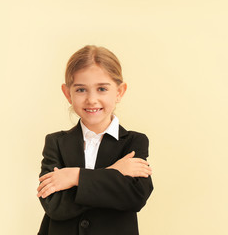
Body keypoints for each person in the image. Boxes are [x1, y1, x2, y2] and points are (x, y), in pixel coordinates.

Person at [36, 45, 153, 235]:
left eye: (101, 89)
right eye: (81, 90)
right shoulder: (56, 142)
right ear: (68, 94)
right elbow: (54, 205)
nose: (91, 99)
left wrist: (74, 177)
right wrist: (114, 172)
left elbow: (135, 197)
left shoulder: (134, 142)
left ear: (119, 92)